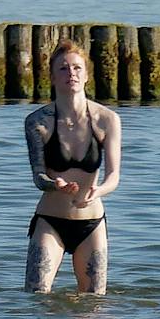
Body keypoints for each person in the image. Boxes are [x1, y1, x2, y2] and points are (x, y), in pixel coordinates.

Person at [24, 38, 122, 294]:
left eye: (77, 68)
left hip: (91, 223)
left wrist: (97, 191)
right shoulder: (37, 122)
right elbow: (38, 176)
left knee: (93, 305)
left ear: (87, 75)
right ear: (53, 78)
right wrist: (54, 184)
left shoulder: (107, 120)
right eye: (63, 69)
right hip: (50, 221)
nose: (71, 74)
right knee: (37, 297)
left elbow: (113, 176)